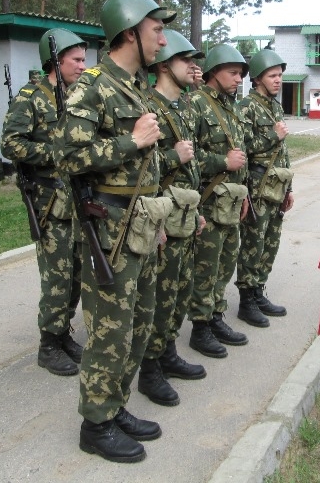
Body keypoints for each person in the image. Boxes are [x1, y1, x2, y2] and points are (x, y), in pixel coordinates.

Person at [54, 0, 175, 463]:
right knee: (110, 328)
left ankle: (116, 405)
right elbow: (68, 158)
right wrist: (129, 141)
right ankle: (95, 424)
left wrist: (157, 215)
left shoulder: (135, 87)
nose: (163, 40)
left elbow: (148, 165)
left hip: (141, 224)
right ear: (129, 32)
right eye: (156, 30)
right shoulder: (93, 85)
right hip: (110, 229)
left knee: (138, 324)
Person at [0, 28, 87, 377]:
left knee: (77, 274)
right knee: (58, 276)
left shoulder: (77, 96)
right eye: (76, 59)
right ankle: (48, 345)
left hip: (75, 202)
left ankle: (63, 334)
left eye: (84, 59)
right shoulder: (31, 98)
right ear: (56, 60)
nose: (83, 65)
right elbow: (11, 144)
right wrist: (54, 153)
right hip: (50, 204)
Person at [137, 30, 207, 406]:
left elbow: (189, 167)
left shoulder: (182, 107)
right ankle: (149, 371)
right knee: (159, 297)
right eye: (186, 61)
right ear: (165, 65)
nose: (194, 67)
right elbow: (139, 168)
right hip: (161, 217)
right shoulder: (148, 106)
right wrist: (172, 157)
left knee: (179, 291)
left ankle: (166, 353)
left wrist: (194, 212)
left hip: (184, 213)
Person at [186, 44, 251, 358]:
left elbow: (242, 154)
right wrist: (221, 162)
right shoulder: (196, 104)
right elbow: (186, 155)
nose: (239, 79)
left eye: (240, 74)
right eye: (233, 72)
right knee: (205, 267)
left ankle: (215, 316)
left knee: (225, 264)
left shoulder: (231, 107)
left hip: (231, 201)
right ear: (214, 71)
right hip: (209, 202)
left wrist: (245, 192)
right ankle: (200, 327)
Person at [235, 49, 294, 328]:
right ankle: (246, 301)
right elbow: (242, 149)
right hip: (257, 187)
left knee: (270, 242)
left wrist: (289, 187)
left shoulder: (275, 106)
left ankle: (258, 291)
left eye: (280, 75)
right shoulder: (246, 107)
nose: (278, 80)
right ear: (257, 78)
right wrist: (274, 134)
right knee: (253, 244)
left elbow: (283, 151)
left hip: (276, 186)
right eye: (272, 75)